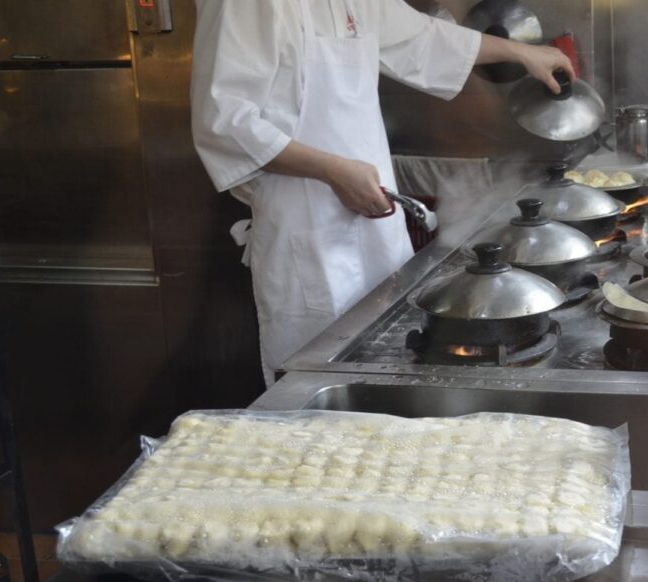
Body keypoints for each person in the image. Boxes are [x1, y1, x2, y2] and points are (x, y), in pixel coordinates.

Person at [191, 0, 573, 385]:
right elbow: (225, 123)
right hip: (306, 236)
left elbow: (423, 38)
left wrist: (521, 52)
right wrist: (333, 172)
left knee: (391, 374)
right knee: (317, 393)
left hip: (376, 229)